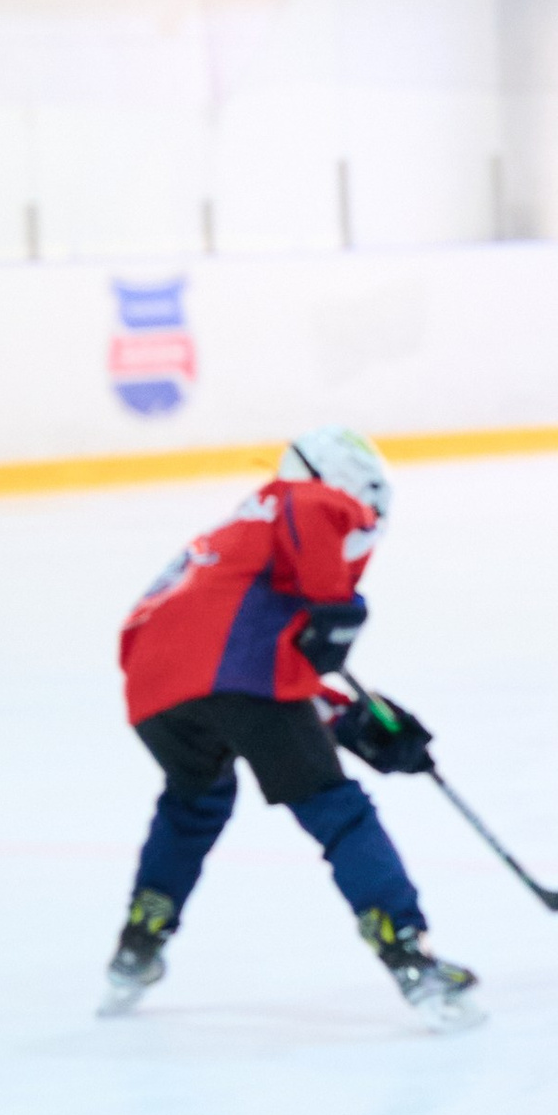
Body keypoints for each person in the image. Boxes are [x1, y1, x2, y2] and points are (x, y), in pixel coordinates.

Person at [100, 427, 480, 1029]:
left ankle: (138, 942)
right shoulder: (299, 500)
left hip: (154, 693)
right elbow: (253, 673)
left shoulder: (229, 540)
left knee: (195, 804)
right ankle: (408, 951)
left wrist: (353, 718)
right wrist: (334, 607)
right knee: (338, 811)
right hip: (238, 675)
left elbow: (235, 656)